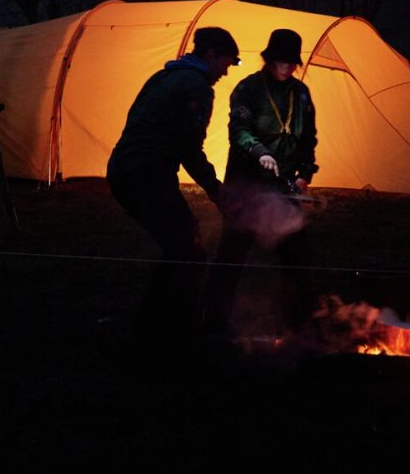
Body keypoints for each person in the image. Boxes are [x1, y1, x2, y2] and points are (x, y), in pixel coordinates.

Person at [106, 26, 241, 352]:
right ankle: (174, 336)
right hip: (145, 173)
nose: (225, 71)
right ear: (209, 54)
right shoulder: (196, 86)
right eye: (225, 62)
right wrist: (216, 191)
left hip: (123, 170)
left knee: (181, 246)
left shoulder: (162, 77)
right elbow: (189, 148)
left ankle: (153, 330)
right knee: (189, 249)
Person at [202, 27, 319, 338]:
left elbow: (308, 137)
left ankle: (300, 326)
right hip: (247, 185)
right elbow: (238, 130)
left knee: (297, 256)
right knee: (233, 253)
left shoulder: (302, 93)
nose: (287, 67)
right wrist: (260, 153)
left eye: (292, 62)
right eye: (282, 61)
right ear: (270, 59)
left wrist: (305, 174)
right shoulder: (247, 89)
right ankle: (213, 321)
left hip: (284, 190)